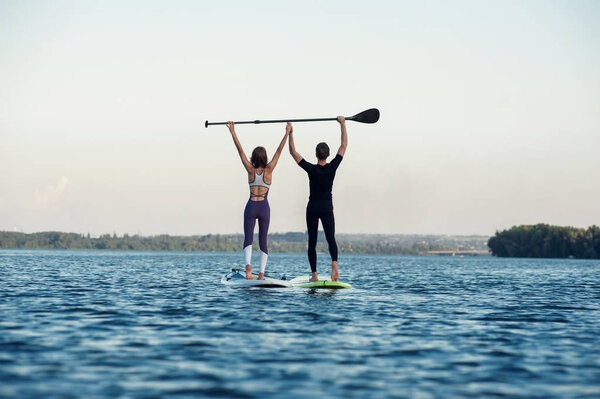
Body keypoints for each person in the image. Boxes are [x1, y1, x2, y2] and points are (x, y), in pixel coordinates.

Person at [227, 121, 291, 280]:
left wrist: (233, 132)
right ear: (265, 158)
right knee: (263, 240)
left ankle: (248, 268)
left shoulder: (250, 170)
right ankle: (261, 274)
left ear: (254, 158)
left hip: (251, 206)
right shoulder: (269, 170)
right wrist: (287, 133)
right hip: (264, 207)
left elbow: (240, 151)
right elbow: (279, 151)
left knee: (248, 238)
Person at [288, 117, 347, 281]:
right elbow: (343, 146)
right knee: (330, 239)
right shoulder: (332, 167)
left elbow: (293, 153)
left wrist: (290, 133)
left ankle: (314, 275)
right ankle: (334, 263)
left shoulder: (311, 169)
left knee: (312, 241)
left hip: (313, 207)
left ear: (315, 154)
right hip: (327, 207)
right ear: (328, 154)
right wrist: (343, 124)